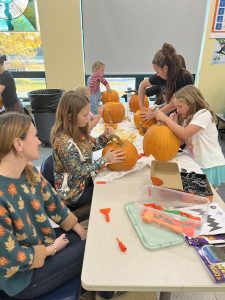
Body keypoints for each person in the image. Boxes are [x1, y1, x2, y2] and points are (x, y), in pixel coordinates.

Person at [0, 112, 87, 299]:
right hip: (20, 280)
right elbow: (10, 257)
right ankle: (102, 290)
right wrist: (51, 250)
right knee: (91, 249)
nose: (40, 142)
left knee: (86, 238)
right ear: (18, 144)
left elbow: (53, 202)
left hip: (40, 246)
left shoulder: (28, 170)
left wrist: (80, 230)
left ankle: (92, 287)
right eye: (35, 136)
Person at [51, 90, 124, 220]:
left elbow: (91, 145)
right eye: (85, 115)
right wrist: (105, 160)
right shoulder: (63, 142)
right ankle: (75, 216)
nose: (89, 118)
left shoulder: (77, 130)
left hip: (83, 182)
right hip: (73, 193)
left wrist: (105, 137)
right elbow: (79, 171)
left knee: (113, 185)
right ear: (69, 117)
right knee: (108, 196)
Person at [155, 85, 225, 186]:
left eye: (180, 106)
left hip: (209, 163)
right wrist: (172, 124)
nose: (177, 110)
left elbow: (184, 133)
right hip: (197, 161)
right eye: (176, 107)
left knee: (205, 194)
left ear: (191, 103)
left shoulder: (204, 114)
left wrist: (166, 119)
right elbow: (180, 141)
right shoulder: (187, 118)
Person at [138, 43, 193, 120]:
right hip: (170, 116)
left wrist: (154, 114)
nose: (157, 75)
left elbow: (173, 104)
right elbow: (142, 84)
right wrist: (142, 106)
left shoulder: (183, 77)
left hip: (184, 118)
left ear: (165, 68)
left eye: (157, 71)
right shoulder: (162, 75)